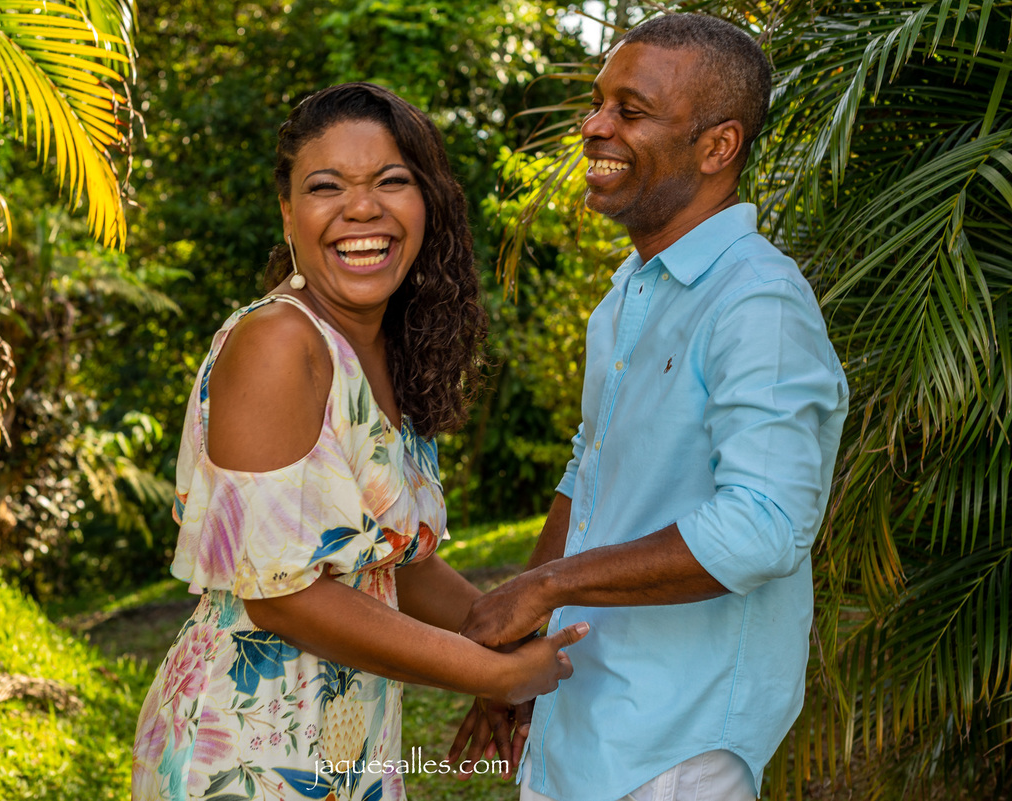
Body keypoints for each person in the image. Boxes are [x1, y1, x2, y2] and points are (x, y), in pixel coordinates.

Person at [130, 82, 587, 801]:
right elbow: (281, 596)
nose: (362, 208)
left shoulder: (385, 351)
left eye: (391, 181)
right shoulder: (280, 342)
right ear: (288, 211)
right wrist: (488, 672)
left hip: (348, 743)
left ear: (427, 202)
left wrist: (499, 635)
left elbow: (387, 561)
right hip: (246, 749)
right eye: (326, 186)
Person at [447, 15, 850, 801]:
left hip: (675, 748)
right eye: (599, 103)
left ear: (717, 146)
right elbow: (588, 472)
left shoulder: (758, 302)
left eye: (630, 111)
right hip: (583, 713)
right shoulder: (627, 296)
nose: (594, 126)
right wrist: (520, 649)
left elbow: (762, 527)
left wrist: (546, 585)